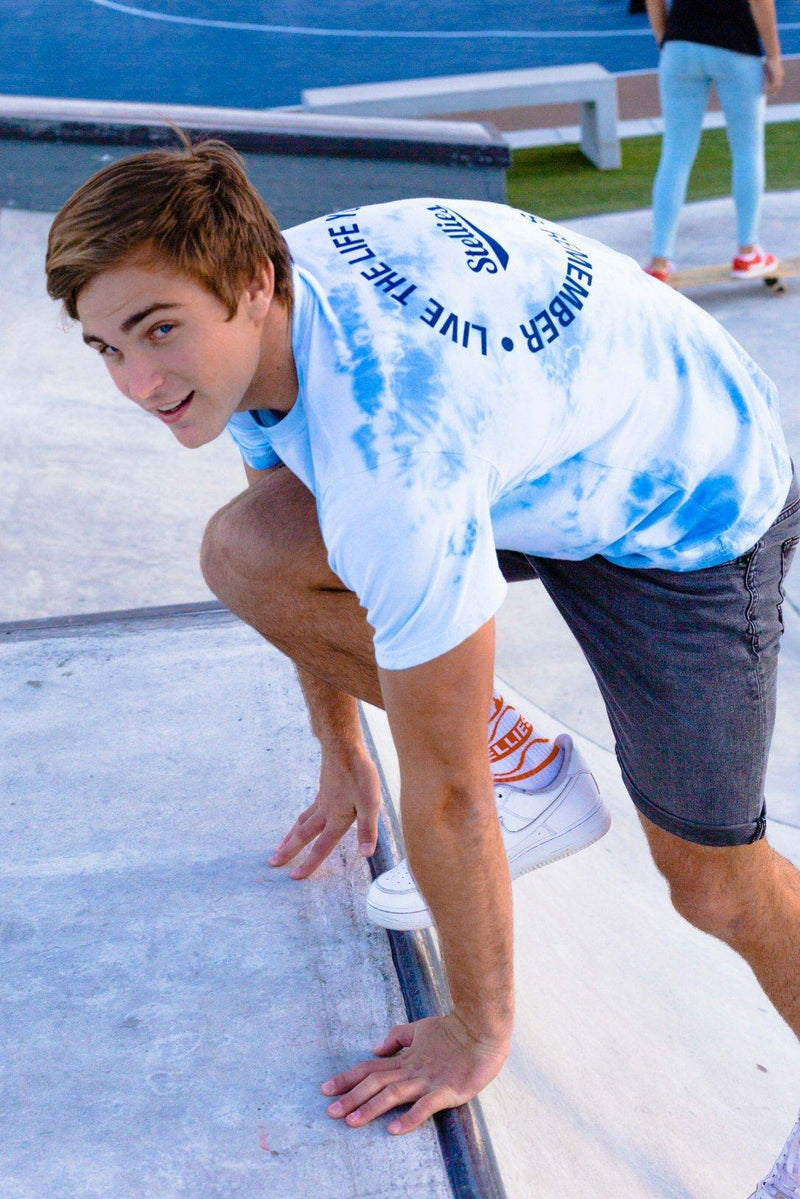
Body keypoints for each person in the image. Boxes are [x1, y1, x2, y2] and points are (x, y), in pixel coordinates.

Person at [45, 140, 800, 1194]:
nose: (138, 383)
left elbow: (447, 793)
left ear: (254, 283)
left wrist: (474, 1029)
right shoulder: (259, 314)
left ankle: (528, 779)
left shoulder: (394, 457)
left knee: (714, 886)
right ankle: (526, 757)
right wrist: (342, 746)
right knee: (247, 547)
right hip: (542, 440)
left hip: (688, 502)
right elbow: (293, 517)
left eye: (158, 331)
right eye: (107, 347)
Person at [644, 0, 784, 282]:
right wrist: (774, 56)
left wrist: (664, 36)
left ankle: (659, 261)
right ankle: (747, 252)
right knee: (747, 151)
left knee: (675, 155)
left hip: (681, 44)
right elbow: (761, 2)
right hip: (736, 48)